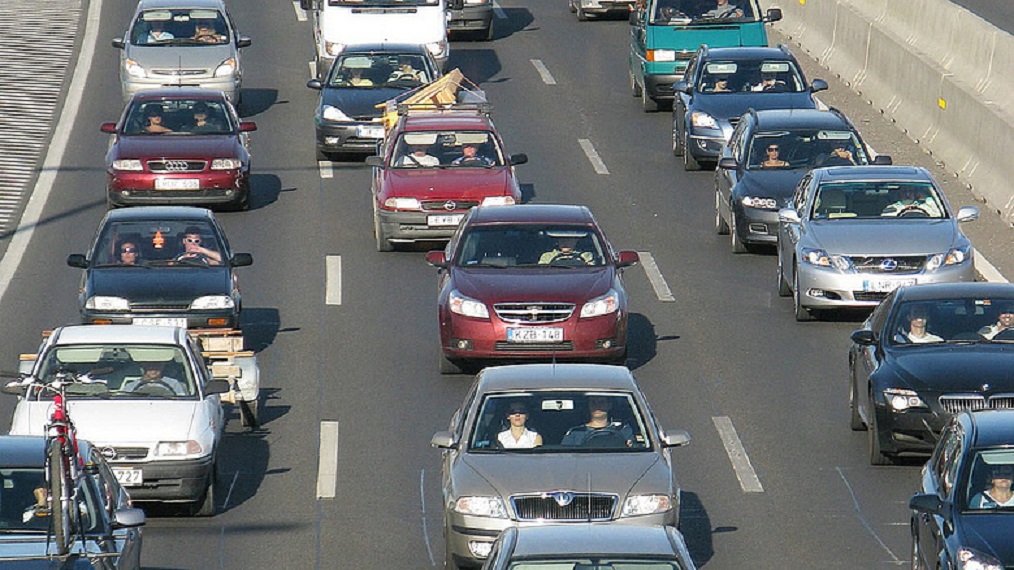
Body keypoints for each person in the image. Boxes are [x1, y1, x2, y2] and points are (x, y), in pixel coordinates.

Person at [561, 396, 634, 447]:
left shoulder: (623, 429)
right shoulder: (575, 432)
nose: (597, 406)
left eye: (601, 402)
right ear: (588, 405)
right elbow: (565, 456)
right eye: (593, 402)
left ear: (609, 405)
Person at [121, 361, 188, 396]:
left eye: (157, 364)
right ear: (143, 366)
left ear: (163, 365)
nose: (153, 368)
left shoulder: (174, 384)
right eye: (149, 364)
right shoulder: (131, 386)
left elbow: (183, 404)